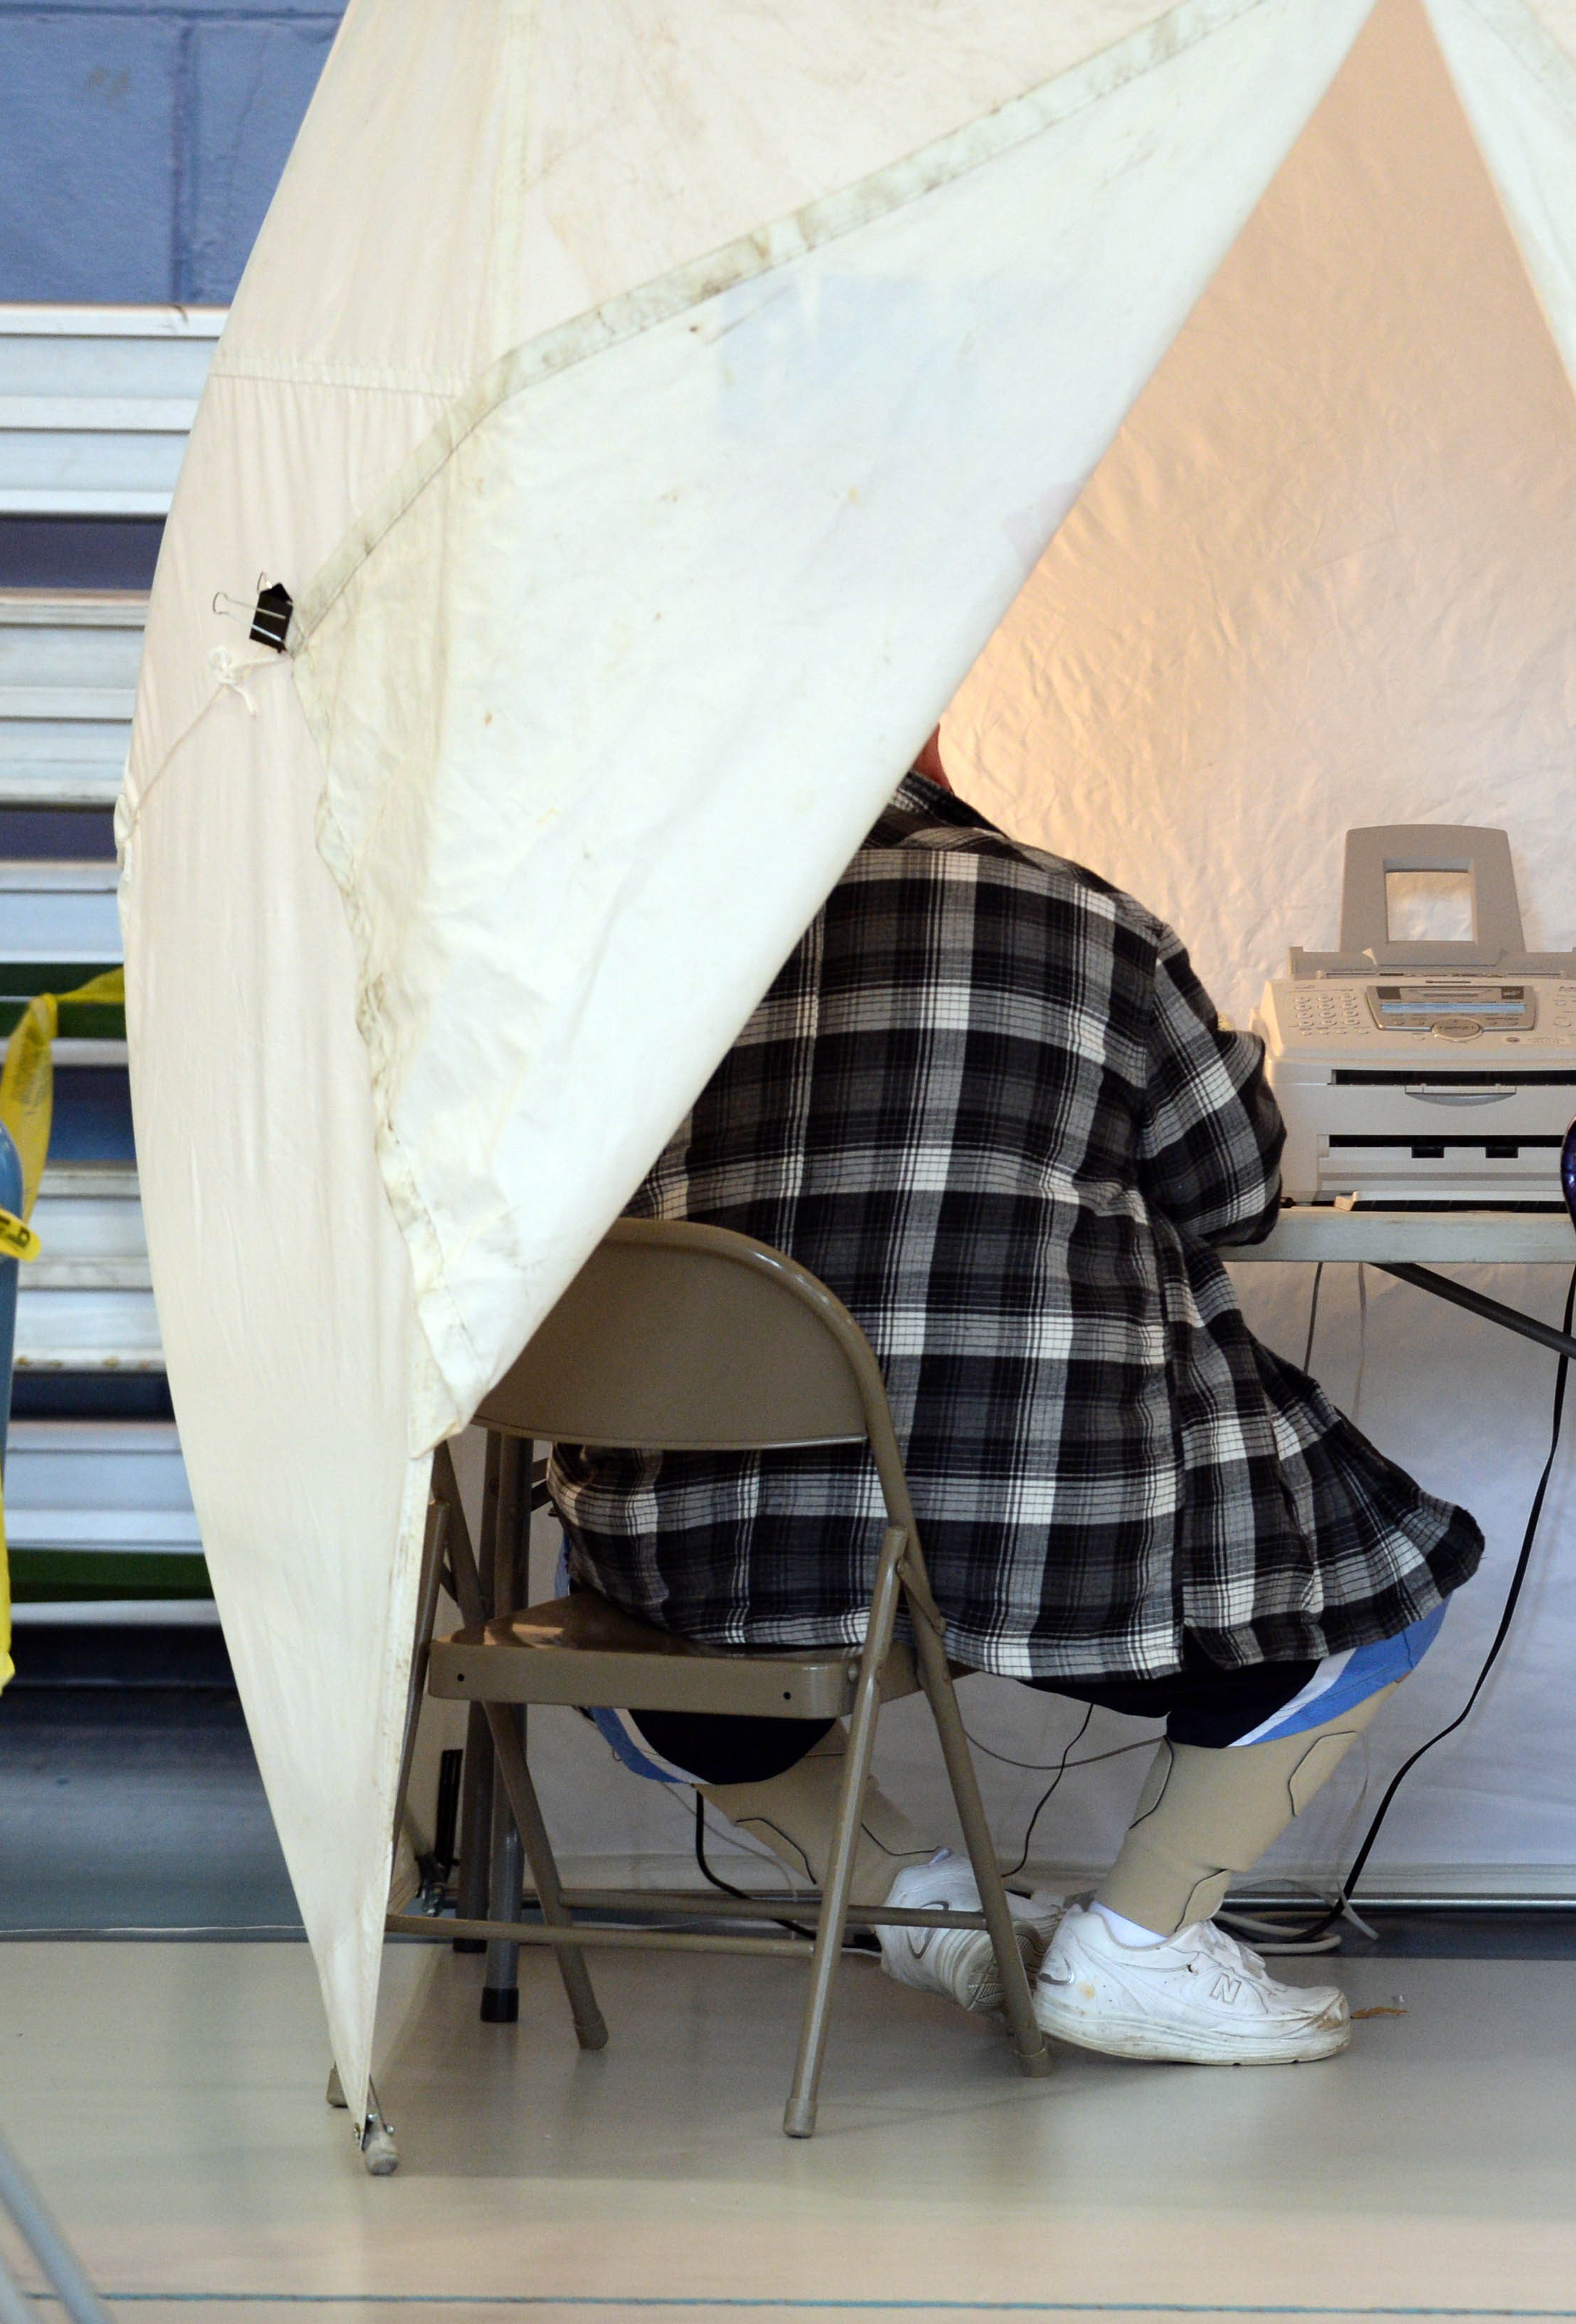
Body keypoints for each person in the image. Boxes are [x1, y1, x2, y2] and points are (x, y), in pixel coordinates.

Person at [548, 731, 1483, 2065]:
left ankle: (921, 1907)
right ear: (928, 738)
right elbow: (1235, 1193)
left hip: (709, 1561)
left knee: (607, 1648)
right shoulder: (1076, 915)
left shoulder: (618, 938)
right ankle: (1142, 1946)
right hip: (1042, 1533)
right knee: (1386, 1585)